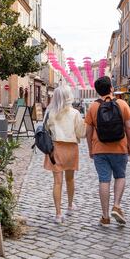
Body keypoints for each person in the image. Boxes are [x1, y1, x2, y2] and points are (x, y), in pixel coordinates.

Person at [85, 77, 130, 226]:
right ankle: (117, 205)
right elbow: (129, 128)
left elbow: (88, 131)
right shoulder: (122, 104)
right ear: (111, 88)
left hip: (100, 149)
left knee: (104, 180)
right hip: (120, 147)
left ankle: (105, 217)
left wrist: (90, 149)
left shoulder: (93, 107)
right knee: (120, 176)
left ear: (97, 91)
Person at [43, 84, 85, 223]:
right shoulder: (75, 113)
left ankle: (58, 213)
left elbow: (46, 130)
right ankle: (70, 205)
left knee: (57, 182)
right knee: (70, 179)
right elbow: (81, 133)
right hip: (71, 149)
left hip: (56, 149)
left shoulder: (51, 113)